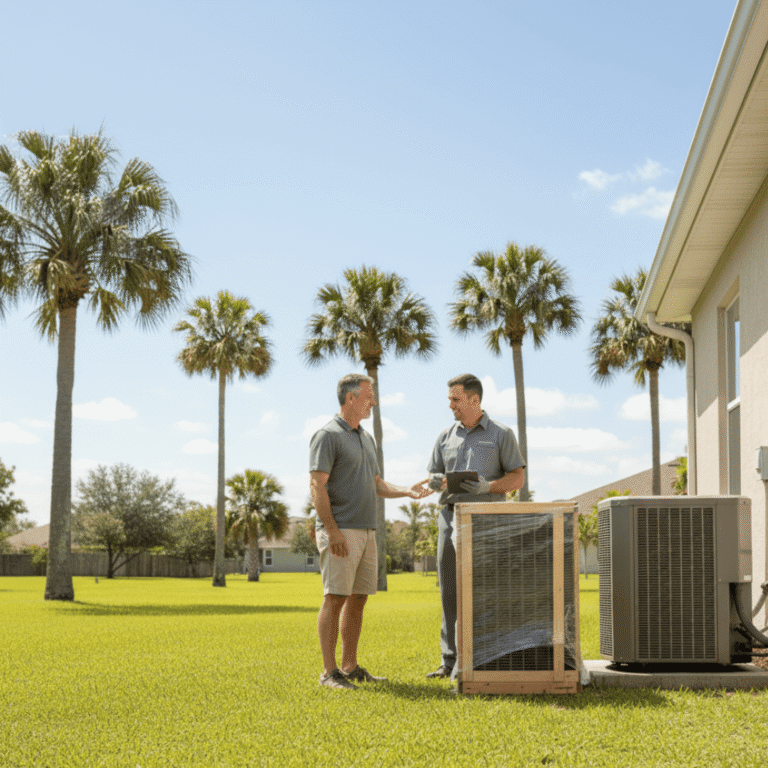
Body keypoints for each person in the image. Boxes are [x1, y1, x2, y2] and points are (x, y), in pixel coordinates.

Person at [310, 373, 432, 690]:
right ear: (351, 398)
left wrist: (407, 490)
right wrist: (332, 530)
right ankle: (328, 672)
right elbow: (317, 486)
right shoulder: (327, 435)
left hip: (367, 531)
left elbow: (377, 484)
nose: (373, 402)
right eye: (368, 396)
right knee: (335, 597)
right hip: (341, 531)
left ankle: (349, 667)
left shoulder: (366, 438)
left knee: (358, 599)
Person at [426, 373, 525, 680]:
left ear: (474, 399)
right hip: (450, 518)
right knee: (449, 591)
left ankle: (488, 656)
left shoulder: (501, 434)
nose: (451, 405)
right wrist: (436, 481)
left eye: (456, 399)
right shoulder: (445, 436)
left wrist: (488, 487)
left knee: (488, 588)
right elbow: (432, 473)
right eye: (450, 400)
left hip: (487, 521)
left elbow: (517, 477)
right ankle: (450, 660)